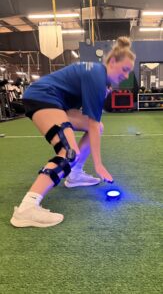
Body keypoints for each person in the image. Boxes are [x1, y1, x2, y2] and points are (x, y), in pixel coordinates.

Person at [10, 36, 136, 228]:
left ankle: (75, 175)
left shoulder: (100, 78)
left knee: (97, 129)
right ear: (112, 62)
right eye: (125, 69)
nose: (127, 76)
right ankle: (27, 207)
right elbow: (92, 123)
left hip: (58, 102)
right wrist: (99, 165)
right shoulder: (97, 75)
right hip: (42, 96)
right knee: (69, 152)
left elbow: (94, 123)